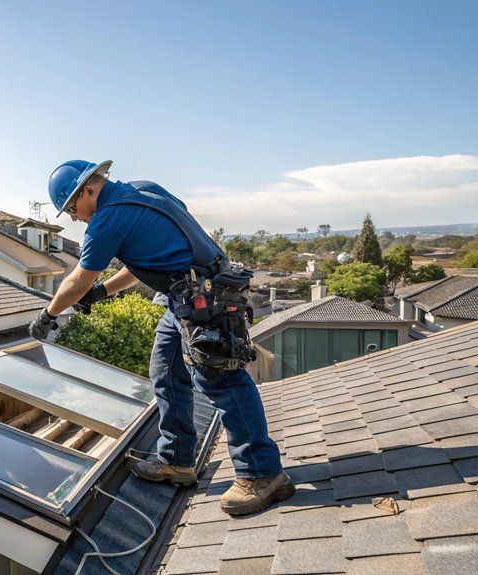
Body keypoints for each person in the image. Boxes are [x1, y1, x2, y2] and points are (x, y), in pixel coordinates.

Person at [29, 160, 294, 516]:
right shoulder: (143, 190)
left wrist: (49, 315)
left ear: (88, 191)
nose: (74, 218)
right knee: (166, 370)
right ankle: (177, 460)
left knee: (221, 381)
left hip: (204, 302)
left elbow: (77, 279)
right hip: (187, 295)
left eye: (72, 208)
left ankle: (264, 473)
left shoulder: (108, 218)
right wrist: (103, 291)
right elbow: (137, 264)